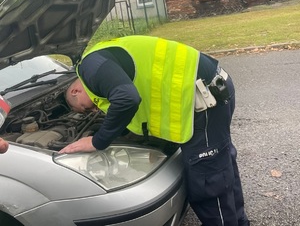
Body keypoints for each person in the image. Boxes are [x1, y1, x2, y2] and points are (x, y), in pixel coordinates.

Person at [59, 35, 249, 226]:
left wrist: (97, 141)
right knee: (221, 165)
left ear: (76, 92)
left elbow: (127, 99)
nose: (94, 110)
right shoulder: (101, 56)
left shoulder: (89, 67)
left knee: (209, 182)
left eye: (85, 108)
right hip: (213, 87)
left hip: (204, 99)